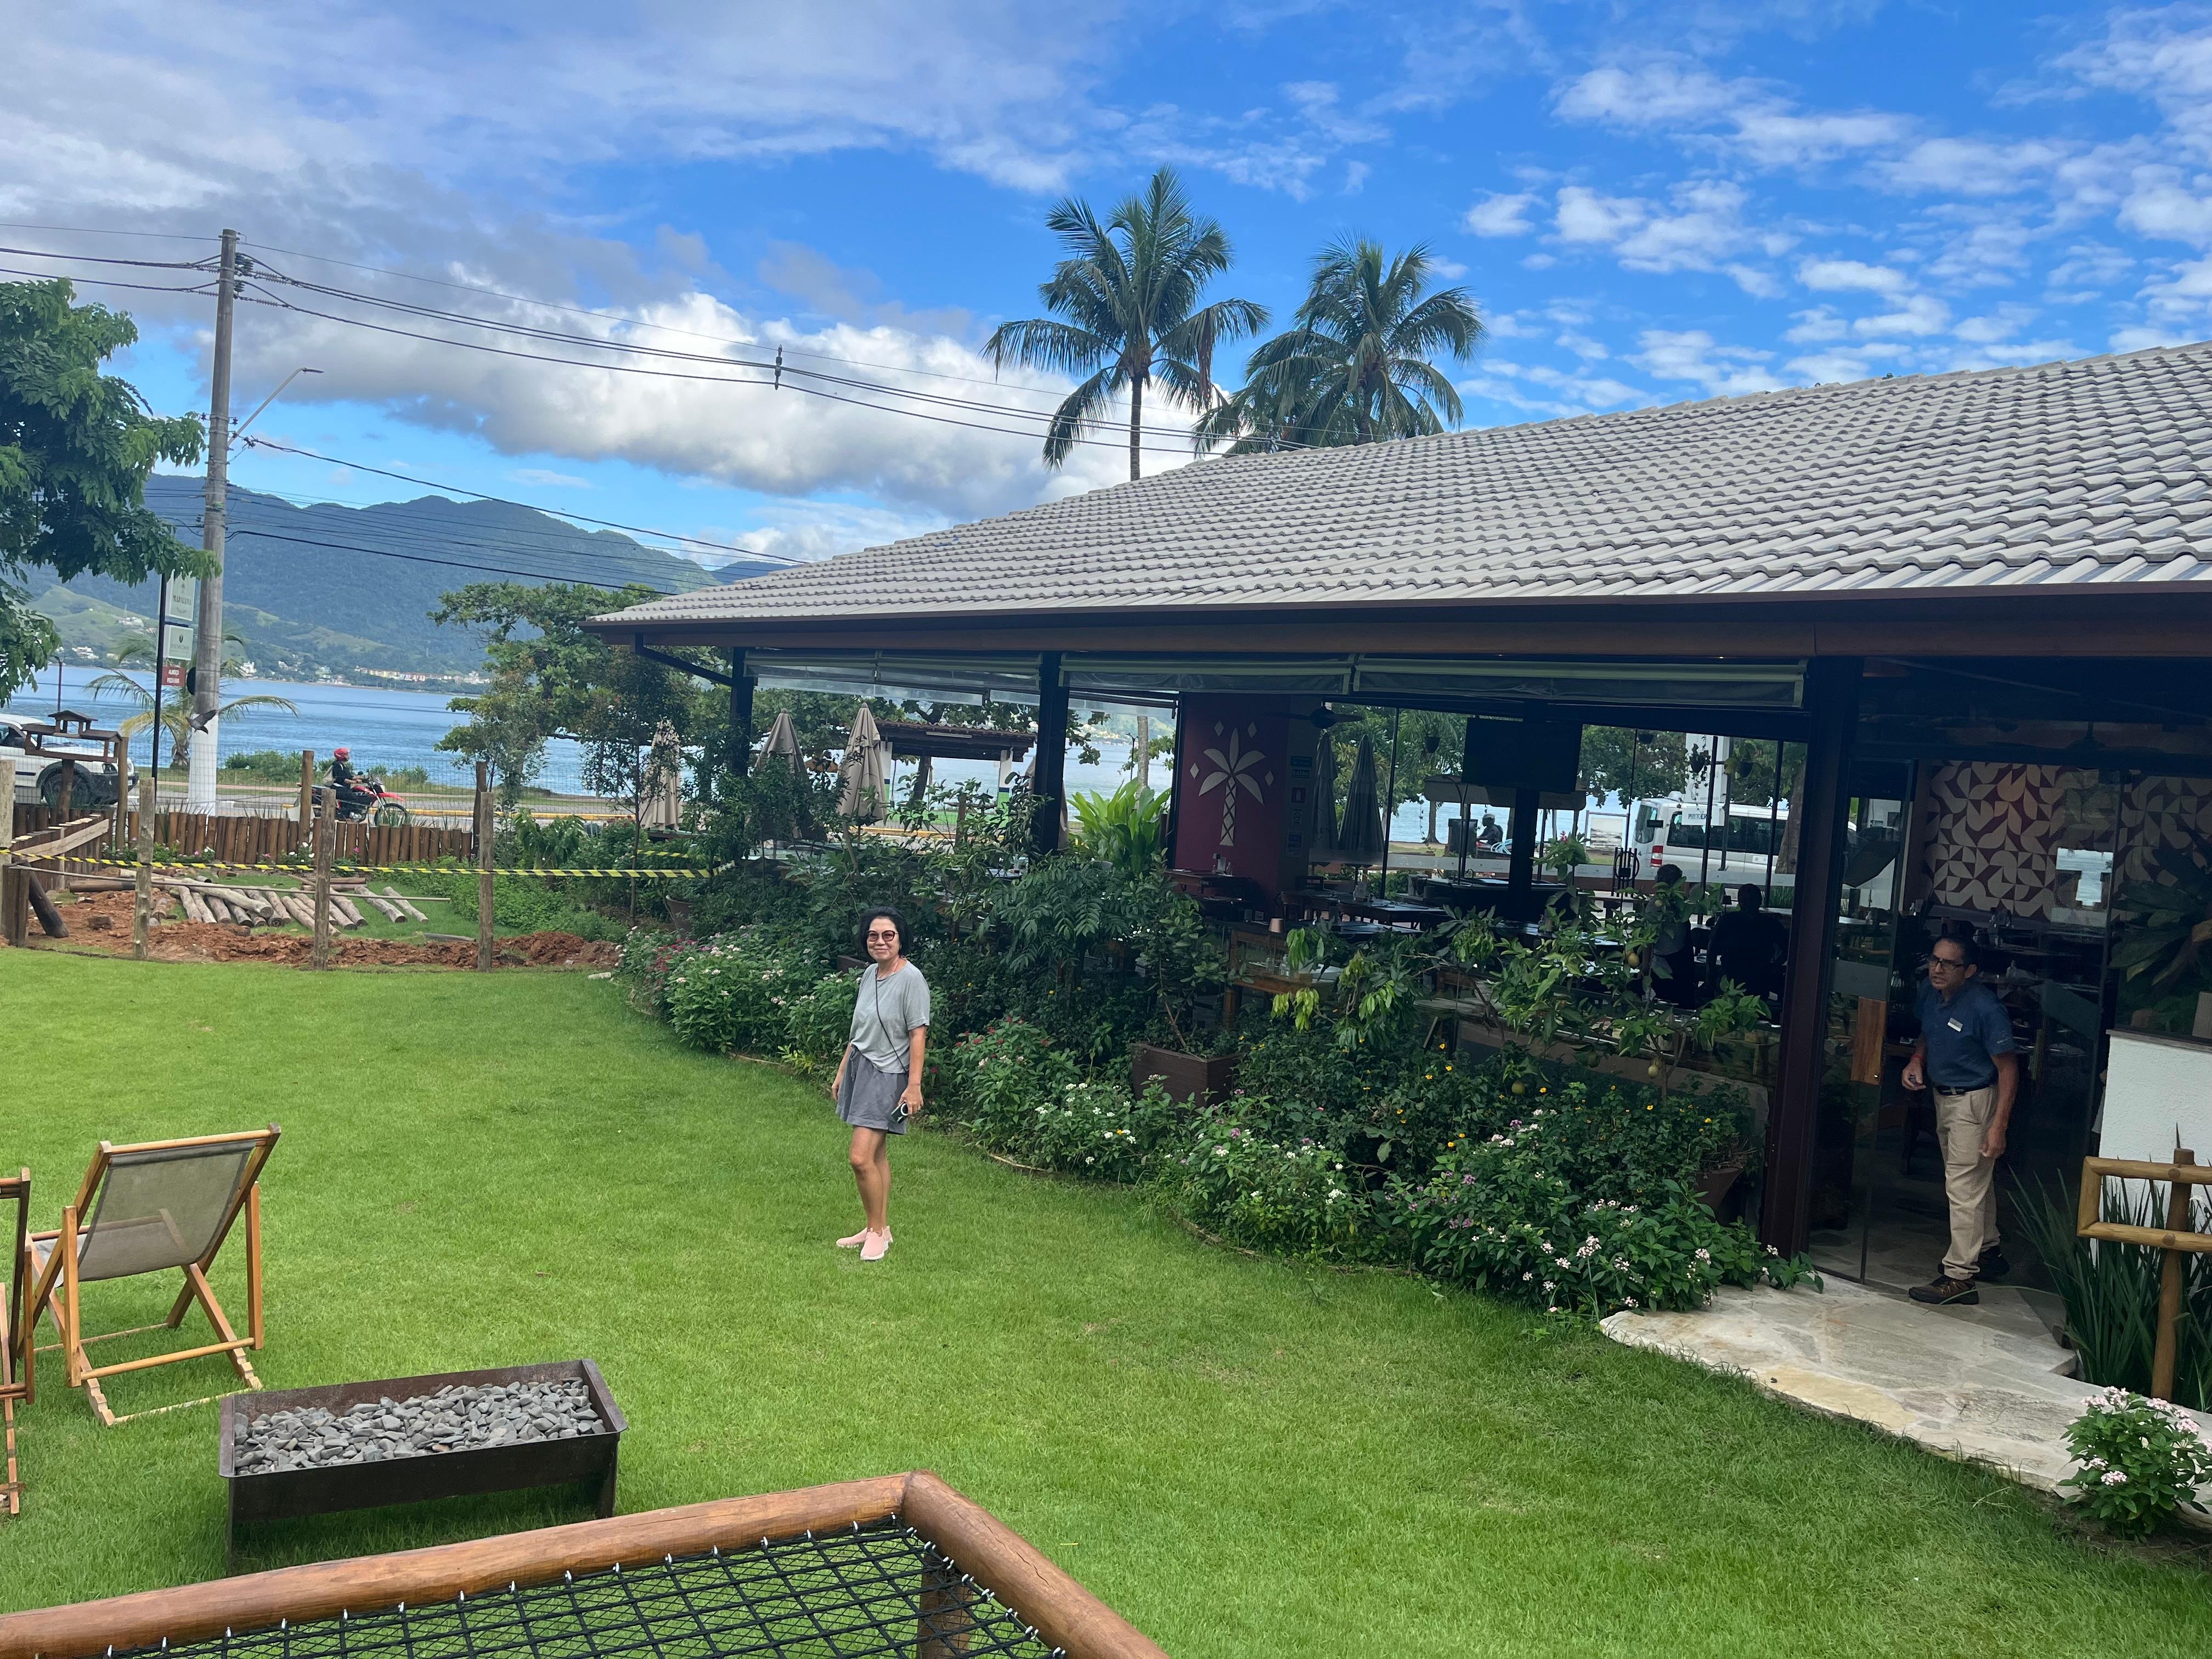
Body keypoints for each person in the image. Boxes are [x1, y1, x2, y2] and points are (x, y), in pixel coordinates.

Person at [1903, 934, 2018, 1307]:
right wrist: (1917, 1059)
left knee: (1963, 1186)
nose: (1937, 969)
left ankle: (1959, 1277)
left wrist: (1998, 1126)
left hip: (1975, 1100)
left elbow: (2009, 1070)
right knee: (1972, 1180)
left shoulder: (1985, 1008)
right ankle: (1988, 1250)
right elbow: (1927, 1032)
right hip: (1944, 1096)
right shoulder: (1931, 993)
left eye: (1948, 964)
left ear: (1968, 971)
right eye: (1934, 960)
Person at [829, 907, 930, 1262]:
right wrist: (842, 1071)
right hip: (861, 1067)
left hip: (888, 1075)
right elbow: (859, 1030)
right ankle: (879, 1228)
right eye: (873, 935)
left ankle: (876, 1234)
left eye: (889, 935)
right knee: (876, 1155)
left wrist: (914, 1086)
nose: (880, 941)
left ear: (901, 939)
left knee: (859, 1158)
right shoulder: (870, 974)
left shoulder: (911, 979)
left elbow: (918, 1034)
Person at [1707, 884, 1787, 1001]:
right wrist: (1711, 975)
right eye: (1745, 900)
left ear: (1759, 901)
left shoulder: (1769, 924)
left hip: (1756, 978)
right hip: (1732, 975)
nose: (1748, 904)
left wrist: (1774, 967)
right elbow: (1712, 949)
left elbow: (1788, 948)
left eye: (1751, 900)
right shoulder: (1728, 921)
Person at [1650, 864, 1699, 1007]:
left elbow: (1648, 940)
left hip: (1676, 962)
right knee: (1673, 1002)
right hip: (1668, 963)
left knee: (1673, 1003)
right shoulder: (1663, 905)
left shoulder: (1675, 904)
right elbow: (1649, 939)